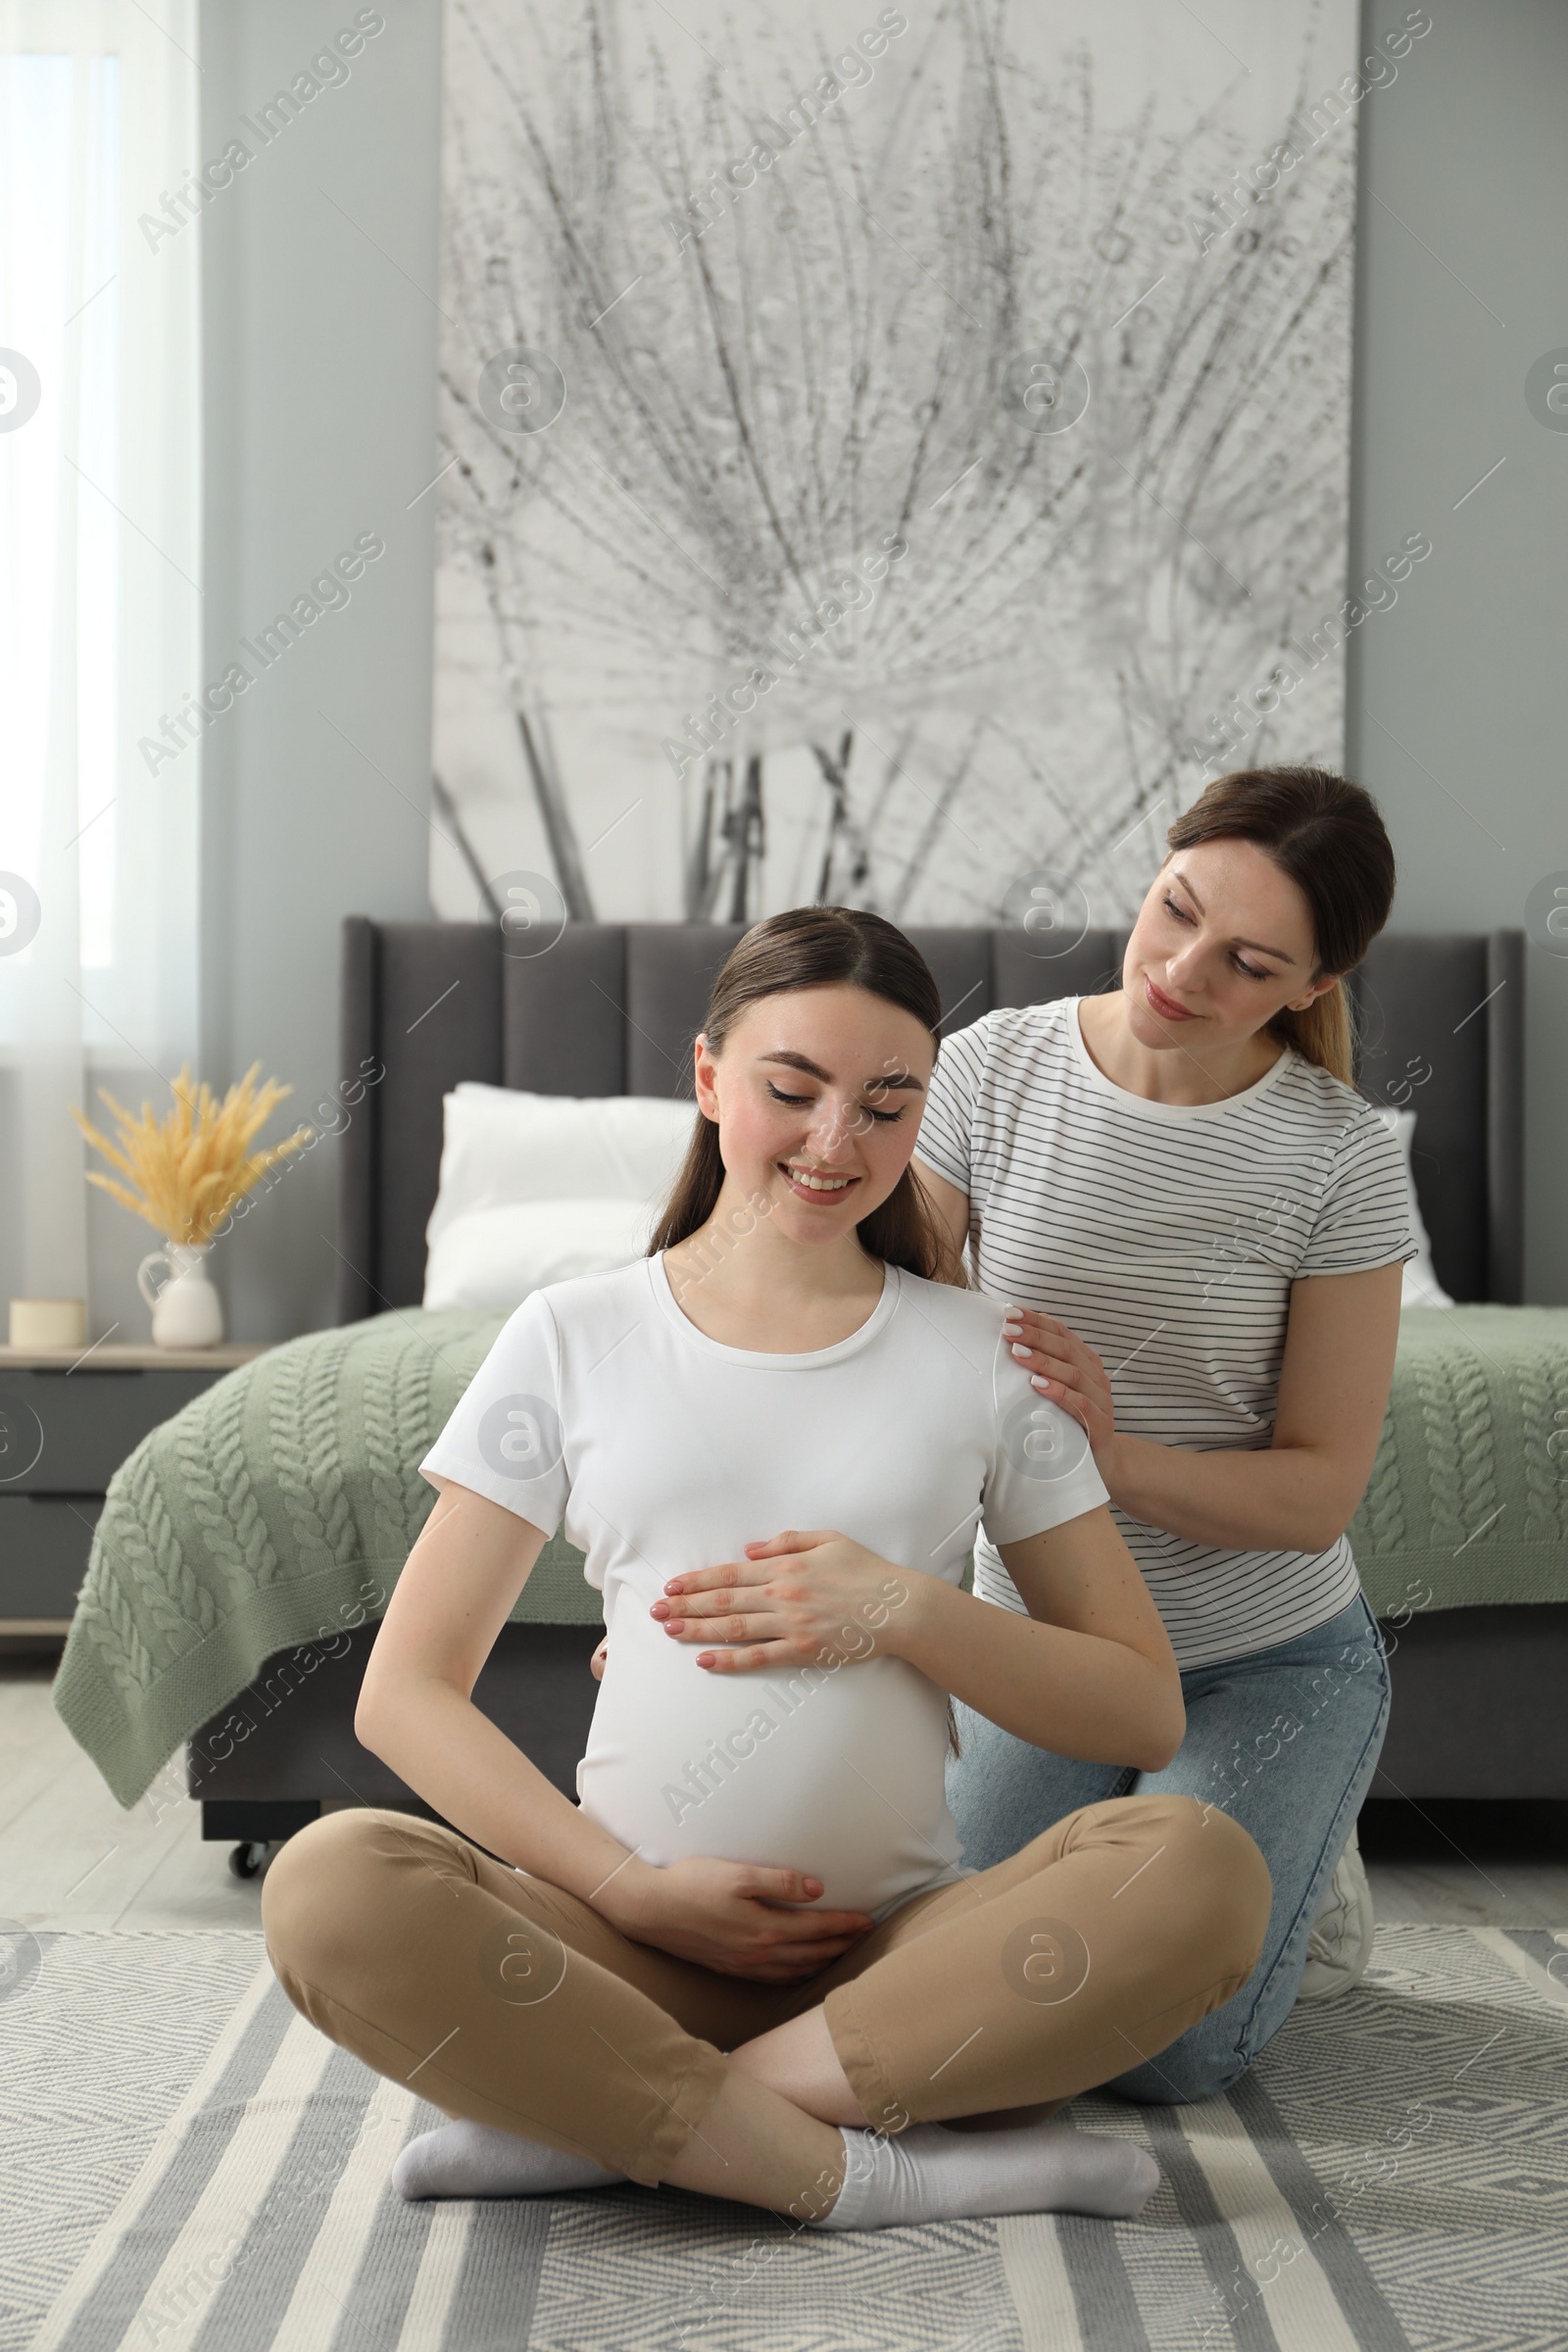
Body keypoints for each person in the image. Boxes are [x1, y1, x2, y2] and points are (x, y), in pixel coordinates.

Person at [262, 907, 1270, 2231]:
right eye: (793, 1092)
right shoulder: (572, 1335)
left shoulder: (985, 1353)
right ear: (707, 1079)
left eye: (887, 1108)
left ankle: (632, 2119)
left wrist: (904, 1612)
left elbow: (1142, 1708)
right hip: (621, 1948)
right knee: (331, 1886)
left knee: (1199, 1869)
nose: (835, 1144)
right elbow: (404, 1694)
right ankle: (851, 2170)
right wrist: (631, 1893)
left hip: (899, 1963)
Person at [913, 766, 1412, 2104]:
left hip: (1264, 1659)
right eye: (1176, 909)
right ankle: (1172, 1829)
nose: (1183, 970)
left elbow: (1315, 1495)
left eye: (1248, 963)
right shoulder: (987, 1069)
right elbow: (878, 1349)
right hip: (1049, 1644)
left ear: (1311, 988)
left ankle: (1291, 1864)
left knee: (1168, 2055)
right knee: (939, 1979)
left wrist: (1114, 1459)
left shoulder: (1343, 1157)